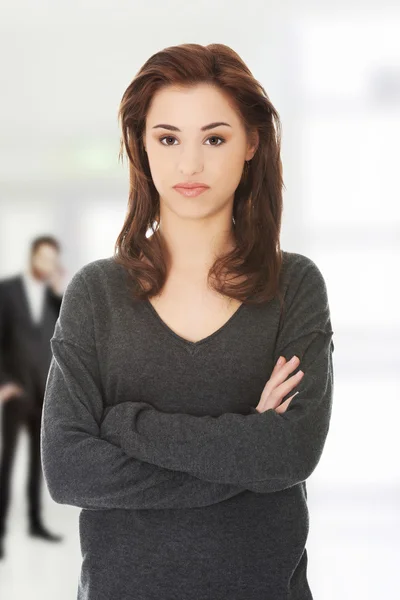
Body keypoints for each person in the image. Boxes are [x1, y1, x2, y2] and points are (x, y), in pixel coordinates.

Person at [40, 43, 334, 599]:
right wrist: (245, 449)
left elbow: (291, 453)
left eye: (214, 138)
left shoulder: (294, 285)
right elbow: (69, 469)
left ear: (251, 143)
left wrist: (125, 426)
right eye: (168, 138)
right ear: (142, 146)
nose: (189, 164)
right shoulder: (96, 294)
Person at [0, 236, 65, 560]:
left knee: (39, 464)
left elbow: (64, 339)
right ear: (32, 257)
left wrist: (57, 293)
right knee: (7, 461)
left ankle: (36, 523)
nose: (47, 264)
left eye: (52, 259)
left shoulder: (57, 298)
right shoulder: (8, 290)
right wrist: (3, 382)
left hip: (45, 393)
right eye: (43, 258)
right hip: (16, 391)